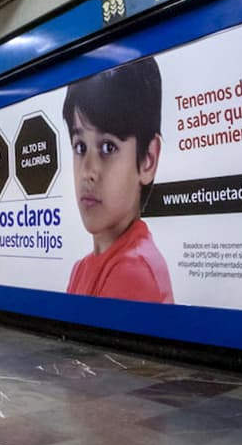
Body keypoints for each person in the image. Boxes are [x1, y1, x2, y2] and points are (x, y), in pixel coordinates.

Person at [61, 56, 173, 303]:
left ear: (148, 160)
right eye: (80, 147)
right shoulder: (83, 268)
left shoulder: (134, 270)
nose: (88, 171)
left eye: (108, 148)